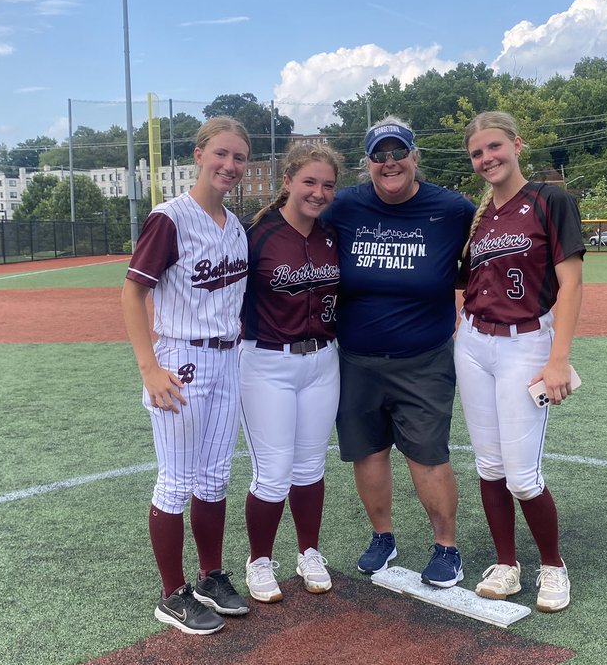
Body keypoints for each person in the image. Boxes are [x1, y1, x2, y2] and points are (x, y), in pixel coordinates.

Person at [324, 117, 475, 588]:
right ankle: (382, 536)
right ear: (367, 162)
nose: (390, 163)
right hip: (356, 358)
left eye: (398, 153)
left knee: (427, 454)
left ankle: (447, 547)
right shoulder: (343, 205)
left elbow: (487, 255)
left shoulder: (452, 209)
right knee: (368, 452)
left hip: (424, 357)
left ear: (414, 156)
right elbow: (292, 224)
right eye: (379, 155)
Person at [121, 116, 251, 636]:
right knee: (175, 481)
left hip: (227, 360)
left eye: (239, 157)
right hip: (180, 359)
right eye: (221, 154)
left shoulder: (235, 225)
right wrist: (149, 368)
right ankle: (171, 594)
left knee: (215, 477)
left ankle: (209, 577)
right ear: (198, 155)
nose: (230, 165)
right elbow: (132, 292)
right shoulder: (170, 218)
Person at [454, 111, 584, 612]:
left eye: (494, 147)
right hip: (473, 343)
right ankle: (507, 564)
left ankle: (552, 566)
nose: (487, 158)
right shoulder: (479, 217)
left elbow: (570, 283)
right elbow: (463, 280)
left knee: (522, 474)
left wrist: (559, 358)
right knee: (488, 465)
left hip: (526, 342)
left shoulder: (550, 200)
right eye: (477, 153)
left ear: (516, 144)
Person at [239, 144, 343, 602]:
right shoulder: (255, 235)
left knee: (310, 467)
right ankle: (259, 560)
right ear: (287, 181)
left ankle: (309, 552)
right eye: (309, 182)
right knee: (273, 473)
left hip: (323, 360)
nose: (318, 193)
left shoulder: (331, 234)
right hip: (267, 362)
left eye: (327, 185)